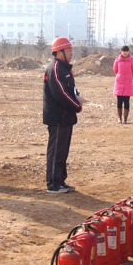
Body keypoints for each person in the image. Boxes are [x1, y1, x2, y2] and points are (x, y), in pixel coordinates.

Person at [43, 37, 86, 193]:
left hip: (66, 117)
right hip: (58, 117)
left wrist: (77, 98)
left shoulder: (64, 68)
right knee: (56, 151)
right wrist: (77, 106)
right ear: (59, 52)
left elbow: (71, 90)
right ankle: (53, 184)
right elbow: (61, 94)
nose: (71, 53)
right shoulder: (55, 68)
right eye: (69, 50)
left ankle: (60, 181)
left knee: (62, 151)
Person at [113, 45, 133, 124]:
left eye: (127, 51)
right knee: (119, 101)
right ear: (121, 52)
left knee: (126, 101)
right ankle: (119, 118)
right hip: (119, 83)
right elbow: (115, 70)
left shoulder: (132, 61)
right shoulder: (117, 60)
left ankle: (125, 119)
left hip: (128, 83)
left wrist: (130, 77)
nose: (125, 53)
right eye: (124, 51)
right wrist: (119, 76)